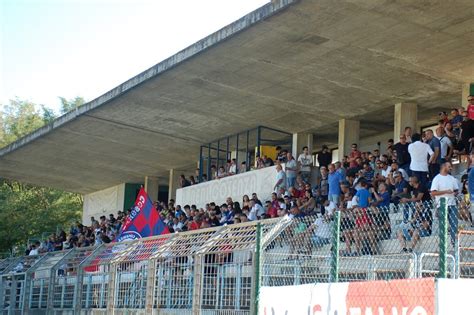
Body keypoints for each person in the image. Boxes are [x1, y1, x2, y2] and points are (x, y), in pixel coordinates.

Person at [430, 161, 459, 245]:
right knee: (443, 225)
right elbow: (433, 193)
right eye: (449, 166)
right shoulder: (437, 179)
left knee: (454, 224)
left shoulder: (452, 178)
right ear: (444, 167)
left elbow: (456, 190)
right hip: (441, 205)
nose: (451, 168)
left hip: (452, 204)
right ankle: (443, 243)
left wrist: (454, 193)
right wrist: (446, 191)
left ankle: (454, 242)